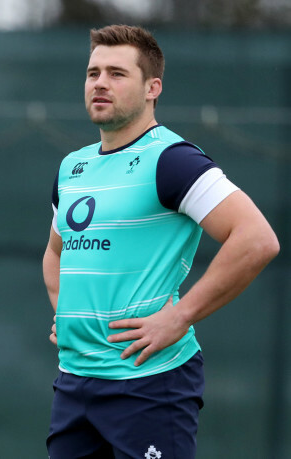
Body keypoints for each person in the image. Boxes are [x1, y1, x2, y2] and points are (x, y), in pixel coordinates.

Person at [43, 25, 279, 459]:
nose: (99, 83)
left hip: (149, 385)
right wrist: (66, 312)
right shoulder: (72, 166)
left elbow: (256, 240)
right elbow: (55, 253)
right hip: (74, 384)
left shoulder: (172, 160)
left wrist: (180, 315)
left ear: (153, 88)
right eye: (93, 72)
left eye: (116, 73)